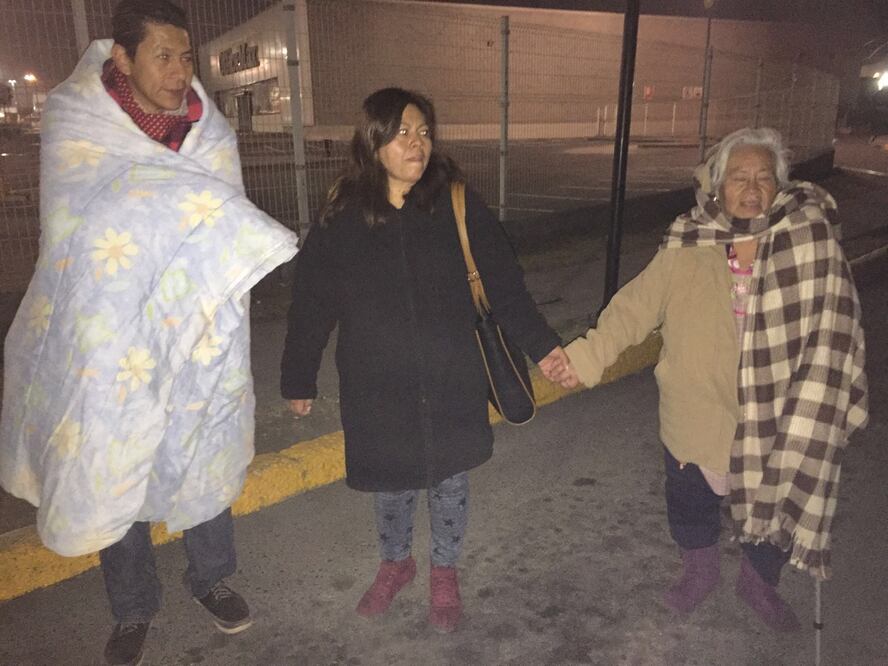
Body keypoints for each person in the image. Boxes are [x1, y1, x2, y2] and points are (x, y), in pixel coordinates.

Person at [0, 1, 299, 664]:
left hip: (195, 318)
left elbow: (218, 218)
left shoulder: (208, 132)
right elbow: (76, 230)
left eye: (185, 55)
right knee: (116, 450)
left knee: (202, 439)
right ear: (122, 57)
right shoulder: (78, 122)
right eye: (162, 55)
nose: (178, 70)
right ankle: (133, 605)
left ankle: (211, 577)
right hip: (111, 324)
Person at [546, 127, 868, 631]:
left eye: (764, 177)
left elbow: (838, 323)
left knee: (774, 508)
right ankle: (700, 572)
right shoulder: (688, 243)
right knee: (690, 502)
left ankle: (758, 583)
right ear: (717, 186)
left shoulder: (807, 242)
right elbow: (634, 309)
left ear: (780, 185)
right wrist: (584, 358)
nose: (752, 187)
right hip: (695, 412)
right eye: (739, 176)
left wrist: (832, 389)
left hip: (777, 415)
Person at [280, 87, 568, 633]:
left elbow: (506, 287)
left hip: (450, 375)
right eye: (402, 133)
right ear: (373, 141)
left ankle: (443, 570)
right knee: (390, 481)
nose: (417, 143)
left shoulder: (454, 203)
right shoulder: (344, 214)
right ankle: (396, 563)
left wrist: (545, 347)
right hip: (376, 383)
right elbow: (312, 302)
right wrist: (299, 376)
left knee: (448, 480)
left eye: (424, 132)